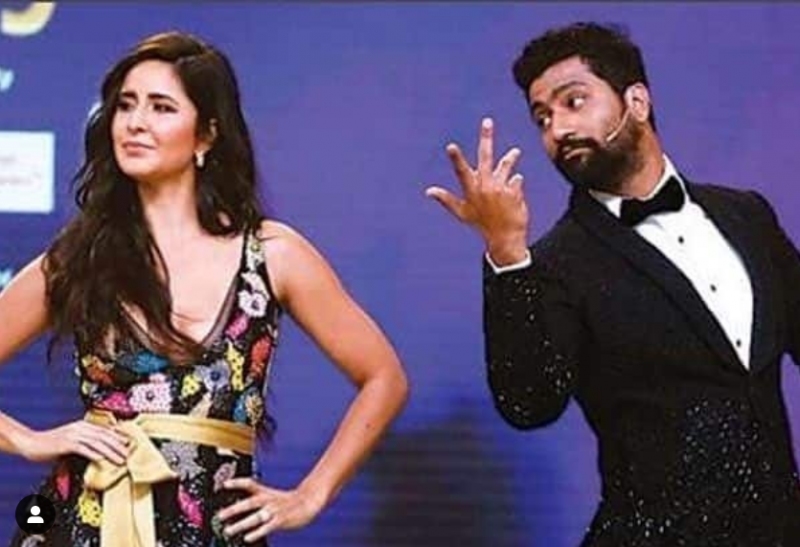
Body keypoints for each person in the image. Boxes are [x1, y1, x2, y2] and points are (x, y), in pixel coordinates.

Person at [0, 31, 408, 546]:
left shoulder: (271, 254)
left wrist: (311, 494)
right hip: (83, 523)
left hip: (215, 528)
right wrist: (30, 440)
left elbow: (384, 378)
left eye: (162, 107)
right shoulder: (79, 258)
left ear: (206, 136)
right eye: (125, 105)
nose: (135, 122)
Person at [427, 21, 800, 546]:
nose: (557, 129)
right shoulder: (554, 264)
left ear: (637, 102)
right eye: (542, 118)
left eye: (573, 102)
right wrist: (506, 252)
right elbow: (529, 404)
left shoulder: (746, 215)